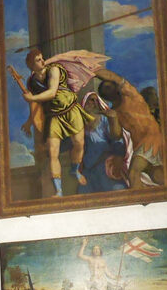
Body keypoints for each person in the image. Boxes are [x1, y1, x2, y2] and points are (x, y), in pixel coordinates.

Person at [7, 46, 101, 196]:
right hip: (53, 117)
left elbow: (51, 92)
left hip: (71, 111)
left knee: (79, 144)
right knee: (53, 153)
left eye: (42, 58)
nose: (42, 61)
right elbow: (36, 106)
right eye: (38, 60)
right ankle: (58, 190)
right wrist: (29, 122)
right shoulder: (32, 82)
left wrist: (32, 97)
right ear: (32, 65)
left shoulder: (54, 70)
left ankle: (75, 169)